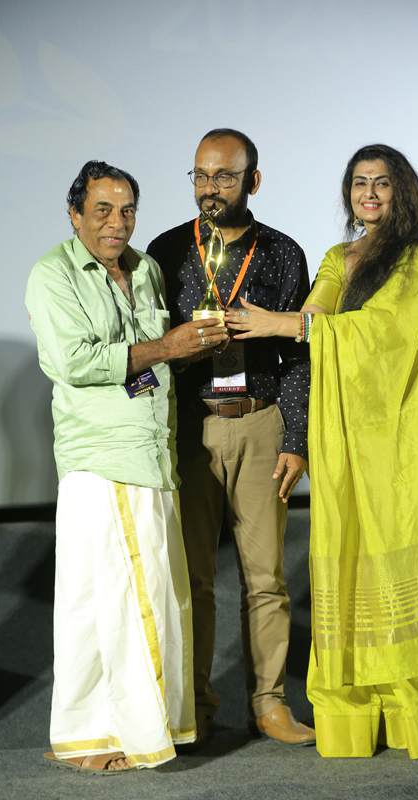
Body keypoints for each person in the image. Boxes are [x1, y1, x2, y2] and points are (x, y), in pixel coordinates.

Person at [226, 144, 418, 760]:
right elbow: (317, 316)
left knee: (397, 563)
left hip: (404, 442)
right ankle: (359, 712)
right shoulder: (340, 257)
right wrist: (279, 321)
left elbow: (384, 332)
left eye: (381, 183)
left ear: (402, 191)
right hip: (346, 438)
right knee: (352, 562)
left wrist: (282, 324)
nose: (369, 194)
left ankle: (416, 702)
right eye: (359, 183)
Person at [26, 160, 229, 773]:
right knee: (118, 602)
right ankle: (113, 735)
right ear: (75, 215)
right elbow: (75, 362)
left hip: (153, 453)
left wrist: (194, 345)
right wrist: (169, 345)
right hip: (103, 457)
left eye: (127, 210)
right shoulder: (53, 274)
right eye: (102, 210)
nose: (116, 223)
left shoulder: (145, 270)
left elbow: (150, 361)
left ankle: (99, 733)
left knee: (126, 600)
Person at [147, 129, 315, 746]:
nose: (209, 188)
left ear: (253, 181)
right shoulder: (166, 250)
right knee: (192, 577)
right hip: (192, 425)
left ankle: (269, 705)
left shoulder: (283, 253)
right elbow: (151, 343)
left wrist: (296, 438)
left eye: (223, 176)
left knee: (265, 578)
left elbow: (299, 356)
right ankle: (196, 706)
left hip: (262, 423)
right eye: (200, 175)